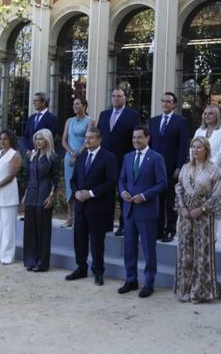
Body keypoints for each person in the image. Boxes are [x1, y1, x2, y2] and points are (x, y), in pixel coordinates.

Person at [175, 136, 221, 303]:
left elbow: (217, 193)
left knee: (201, 253)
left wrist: (202, 208)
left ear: (206, 150)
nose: (195, 150)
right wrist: (182, 207)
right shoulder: (185, 168)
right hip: (185, 216)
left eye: (199, 147)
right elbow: (179, 188)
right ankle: (184, 289)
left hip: (203, 217)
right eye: (193, 147)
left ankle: (198, 292)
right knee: (185, 252)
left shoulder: (213, 170)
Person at [117, 126, 167, 298]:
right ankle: (131, 279)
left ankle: (149, 283)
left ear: (147, 138)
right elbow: (122, 180)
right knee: (129, 248)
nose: (136, 141)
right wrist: (122, 191)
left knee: (148, 249)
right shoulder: (127, 157)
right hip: (129, 210)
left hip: (146, 211)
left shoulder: (156, 158)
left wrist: (144, 196)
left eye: (139, 137)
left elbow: (162, 184)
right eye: (133, 138)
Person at [65, 127, 118, 285]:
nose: (86, 141)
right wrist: (76, 193)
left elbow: (111, 181)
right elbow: (73, 179)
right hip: (81, 206)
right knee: (79, 239)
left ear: (99, 140)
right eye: (86, 138)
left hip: (98, 206)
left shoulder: (108, 157)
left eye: (91, 138)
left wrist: (91, 193)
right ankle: (81, 268)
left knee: (96, 241)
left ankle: (98, 271)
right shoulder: (82, 157)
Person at [97, 86, 141, 235]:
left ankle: (123, 224)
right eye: (114, 96)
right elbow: (99, 137)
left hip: (124, 159)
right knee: (105, 192)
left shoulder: (132, 115)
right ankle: (106, 223)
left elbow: (136, 138)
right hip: (104, 161)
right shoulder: (104, 114)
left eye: (119, 96)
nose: (116, 98)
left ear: (125, 98)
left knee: (123, 194)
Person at [149, 91, 190, 242]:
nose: (165, 104)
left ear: (174, 104)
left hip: (172, 168)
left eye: (168, 102)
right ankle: (158, 229)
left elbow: (183, 146)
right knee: (157, 200)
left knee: (170, 201)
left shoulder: (181, 121)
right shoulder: (154, 121)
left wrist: (179, 167)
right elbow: (151, 145)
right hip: (155, 168)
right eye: (163, 101)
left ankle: (171, 230)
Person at [22, 129, 59, 272]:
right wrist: (25, 194)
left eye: (40, 139)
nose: (37, 142)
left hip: (44, 195)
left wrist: (51, 196)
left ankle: (42, 263)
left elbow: (55, 179)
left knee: (43, 230)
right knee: (29, 229)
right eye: (36, 139)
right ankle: (30, 260)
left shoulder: (53, 158)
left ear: (47, 140)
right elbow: (28, 177)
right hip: (31, 195)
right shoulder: (32, 156)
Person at [0, 130, 21, 265]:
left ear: (11, 140)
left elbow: (11, 175)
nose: (2, 141)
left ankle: (7, 255)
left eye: (5, 139)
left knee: (8, 226)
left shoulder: (15, 154)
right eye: (1, 139)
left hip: (7, 193)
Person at [61, 97, 94, 226]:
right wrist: (71, 153)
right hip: (69, 156)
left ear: (84, 106)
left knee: (81, 185)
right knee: (69, 186)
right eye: (74, 104)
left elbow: (88, 140)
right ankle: (70, 216)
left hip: (83, 156)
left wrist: (78, 154)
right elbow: (64, 140)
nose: (75, 106)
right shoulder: (69, 121)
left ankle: (81, 217)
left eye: (78, 104)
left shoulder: (90, 120)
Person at [193, 105, 221, 180]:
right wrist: (194, 166)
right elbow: (192, 149)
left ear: (217, 116)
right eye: (205, 113)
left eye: (210, 113)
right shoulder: (199, 131)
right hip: (197, 172)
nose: (207, 116)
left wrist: (207, 168)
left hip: (215, 172)